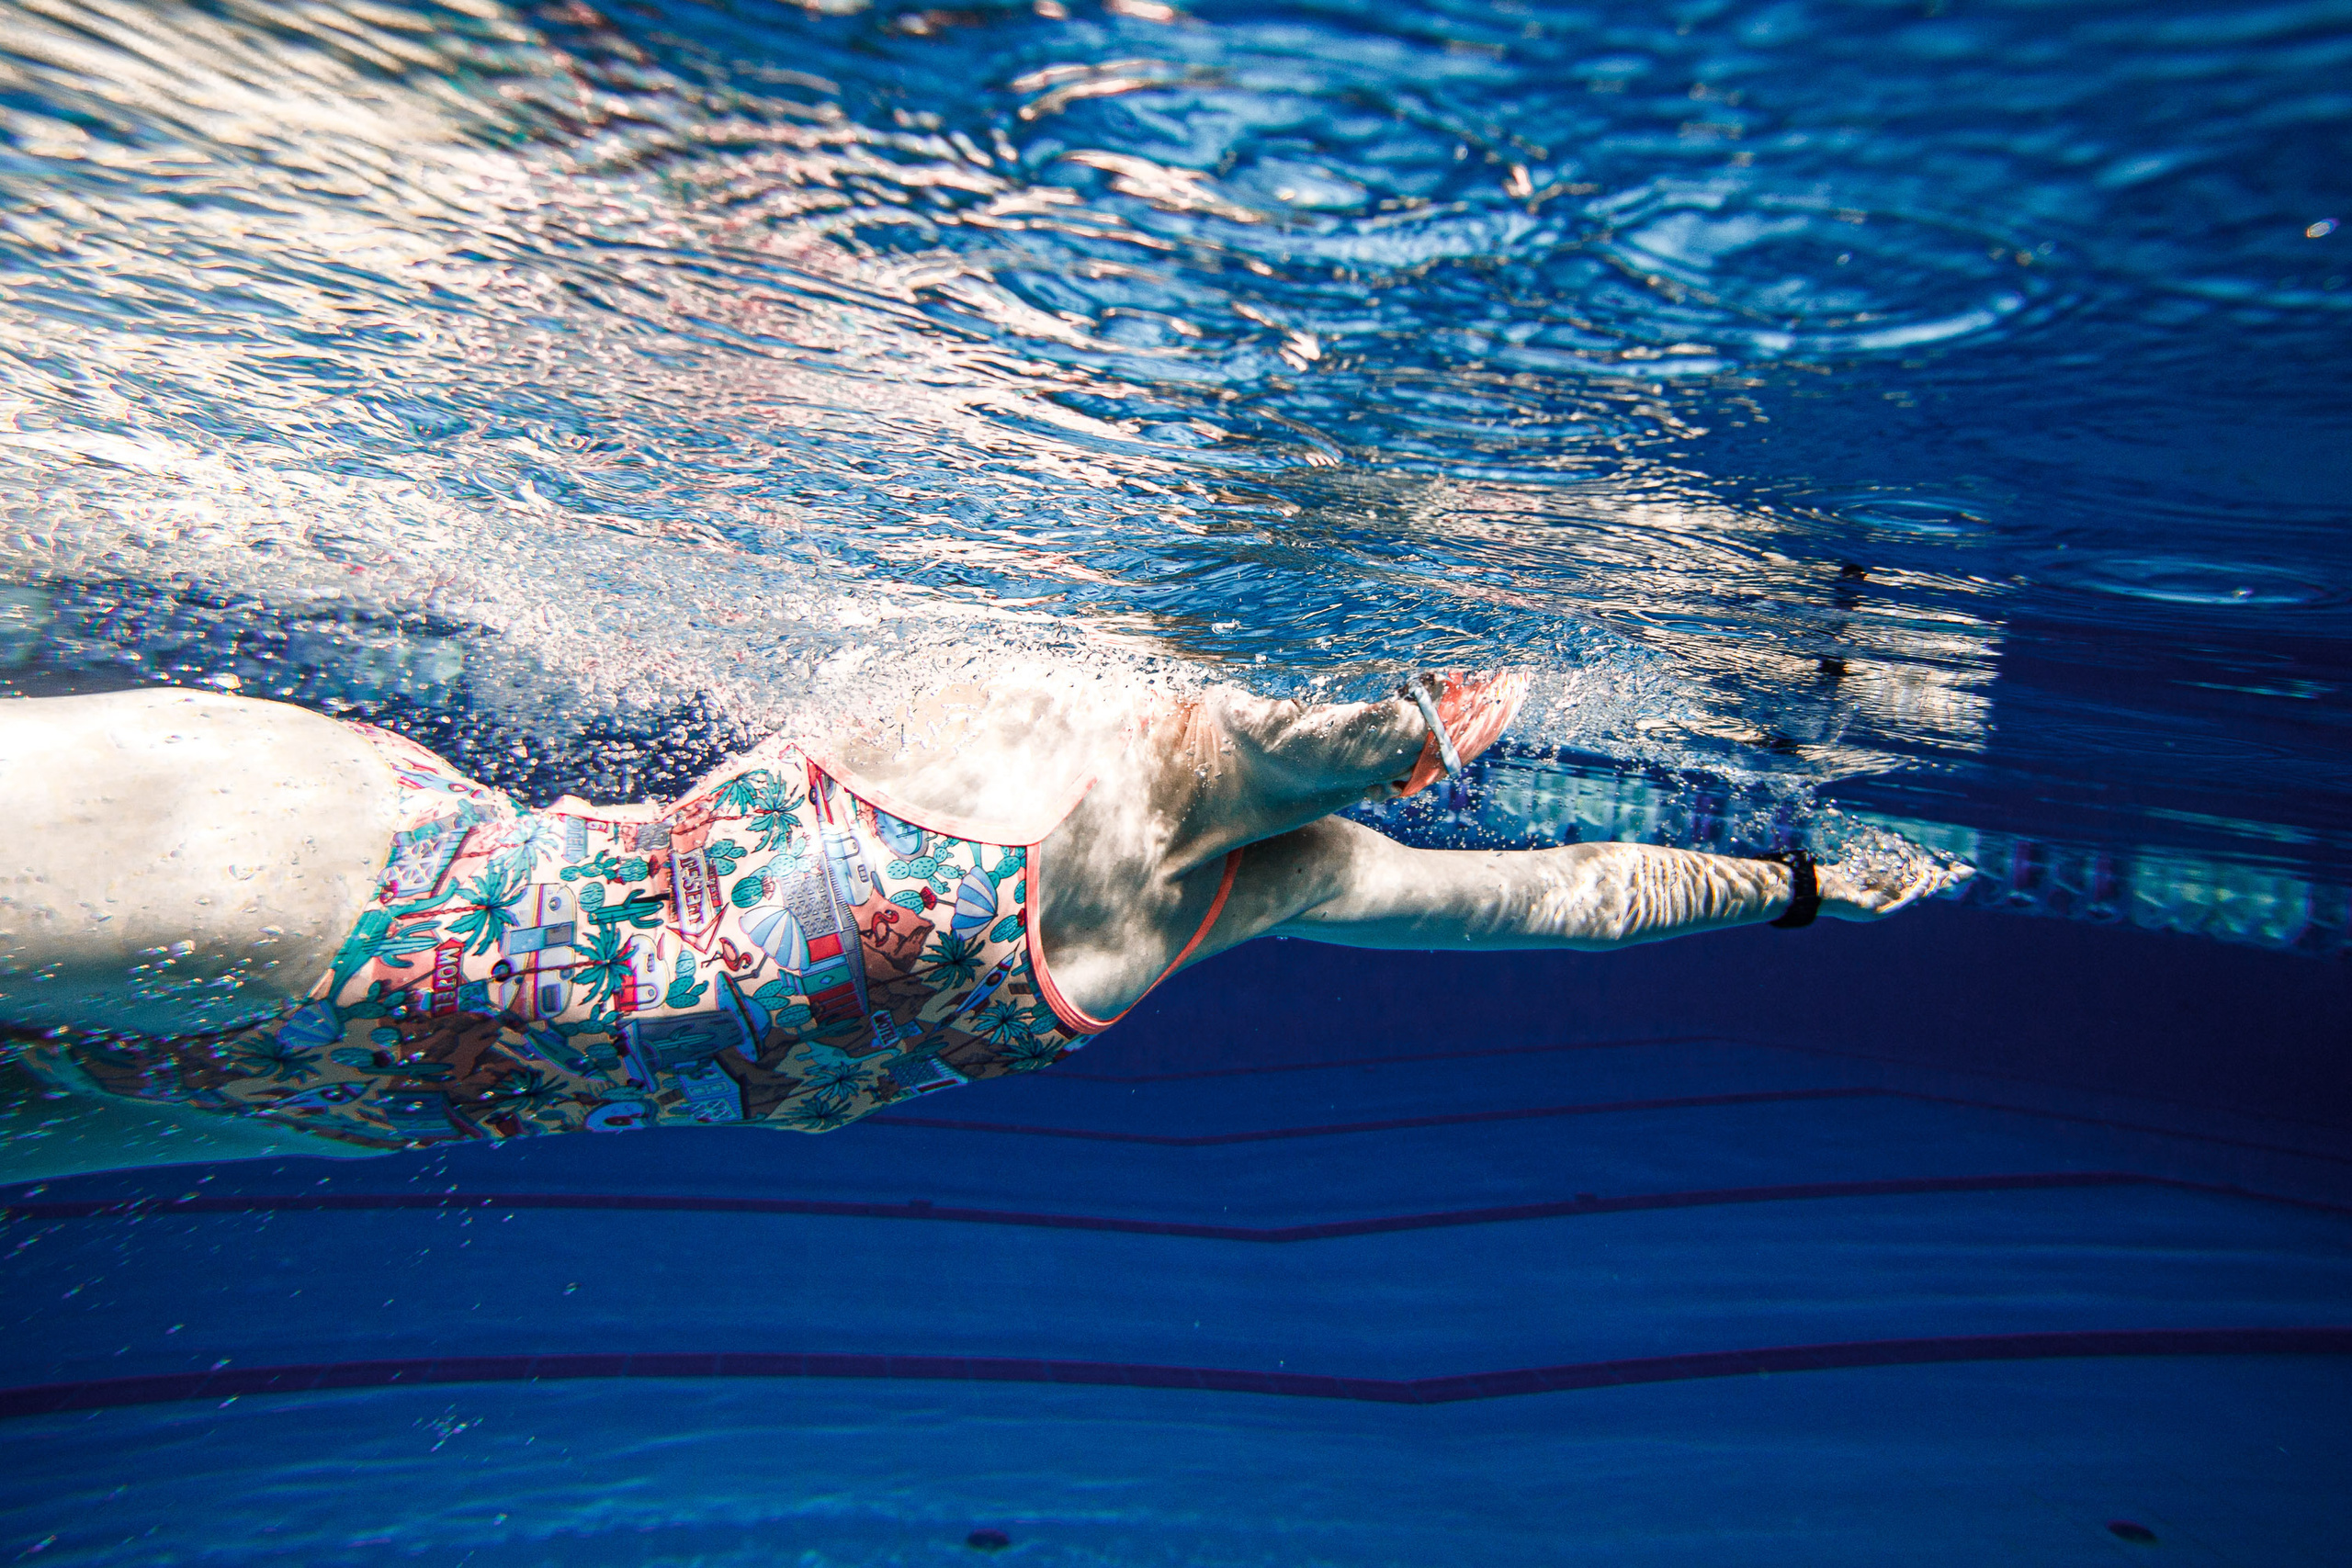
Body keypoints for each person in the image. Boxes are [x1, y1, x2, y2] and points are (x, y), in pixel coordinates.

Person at [0, 673, 1966, 1167]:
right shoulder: (1027, 699)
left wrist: (1804, 878)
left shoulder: (1259, 886)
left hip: (343, 1089)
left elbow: (1554, 898)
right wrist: (1333, 735)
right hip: (332, 883)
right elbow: (1262, 730)